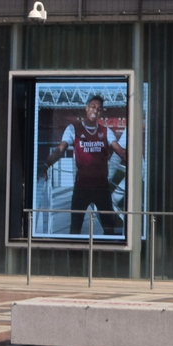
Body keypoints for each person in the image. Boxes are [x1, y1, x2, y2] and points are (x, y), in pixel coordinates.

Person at [47, 93, 126, 238]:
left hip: (102, 188)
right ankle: (73, 258)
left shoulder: (106, 132)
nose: (96, 110)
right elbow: (60, 149)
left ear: (101, 112)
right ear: (86, 108)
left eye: (99, 108)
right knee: (75, 227)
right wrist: (46, 164)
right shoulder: (73, 129)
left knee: (109, 228)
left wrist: (128, 157)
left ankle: (107, 257)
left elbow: (119, 150)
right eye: (93, 106)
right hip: (81, 187)